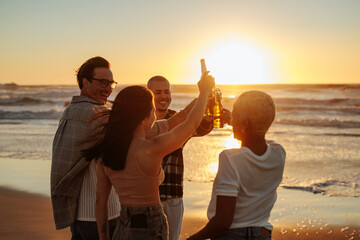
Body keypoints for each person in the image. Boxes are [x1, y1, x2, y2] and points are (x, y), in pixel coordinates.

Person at [51, 56, 187, 239]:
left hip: (81, 213)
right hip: (98, 214)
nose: (108, 88)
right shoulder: (94, 115)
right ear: (85, 82)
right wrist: (182, 117)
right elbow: (143, 131)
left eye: (111, 83)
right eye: (103, 82)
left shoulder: (71, 111)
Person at [84, 71, 214, 240]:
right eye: (153, 110)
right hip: (150, 228)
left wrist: (103, 238)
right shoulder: (151, 149)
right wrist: (204, 93)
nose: (155, 115)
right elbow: (192, 123)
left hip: (123, 225)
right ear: (145, 118)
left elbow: (101, 202)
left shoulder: (106, 154)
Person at [187, 91, 286, 240]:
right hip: (263, 234)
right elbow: (259, 137)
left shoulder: (230, 159)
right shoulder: (279, 154)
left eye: (235, 118)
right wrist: (235, 120)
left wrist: (193, 239)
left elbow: (223, 221)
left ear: (245, 124)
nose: (232, 121)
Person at [147, 75, 214, 240]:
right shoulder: (142, 123)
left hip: (173, 194)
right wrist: (202, 95)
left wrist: (208, 120)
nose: (163, 96)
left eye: (166, 92)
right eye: (158, 92)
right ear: (149, 94)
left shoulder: (177, 117)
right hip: (147, 197)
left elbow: (198, 128)